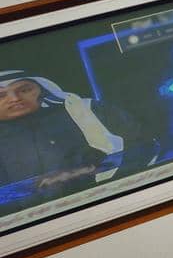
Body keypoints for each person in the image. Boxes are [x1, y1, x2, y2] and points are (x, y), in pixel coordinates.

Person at [0, 71, 148, 210]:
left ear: (41, 89)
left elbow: (142, 148)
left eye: (24, 90)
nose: (14, 99)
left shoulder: (89, 111)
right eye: (1, 95)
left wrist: (81, 175)